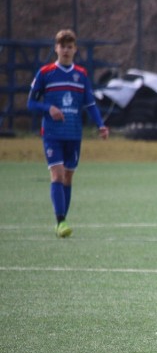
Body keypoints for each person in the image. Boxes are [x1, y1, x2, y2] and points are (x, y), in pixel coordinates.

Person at [27, 29, 109, 237]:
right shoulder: (45, 73)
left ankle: (63, 218)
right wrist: (49, 109)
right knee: (58, 173)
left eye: (69, 47)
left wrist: (100, 125)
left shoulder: (80, 75)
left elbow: (90, 104)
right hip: (52, 134)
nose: (65, 50)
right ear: (56, 48)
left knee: (68, 178)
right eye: (62, 46)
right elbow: (31, 103)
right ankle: (60, 221)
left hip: (73, 133)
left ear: (75, 49)